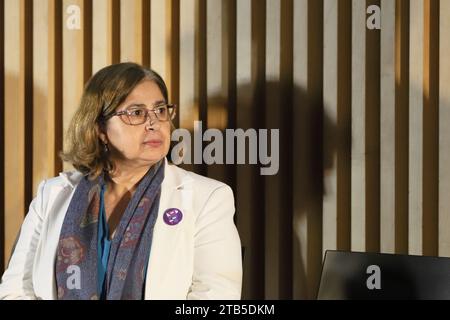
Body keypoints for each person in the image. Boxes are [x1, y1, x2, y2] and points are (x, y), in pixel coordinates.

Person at [0, 62, 242, 300]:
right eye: (136, 113)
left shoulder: (207, 198)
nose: (154, 123)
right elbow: (15, 289)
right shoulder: (52, 195)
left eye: (160, 110)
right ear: (100, 129)